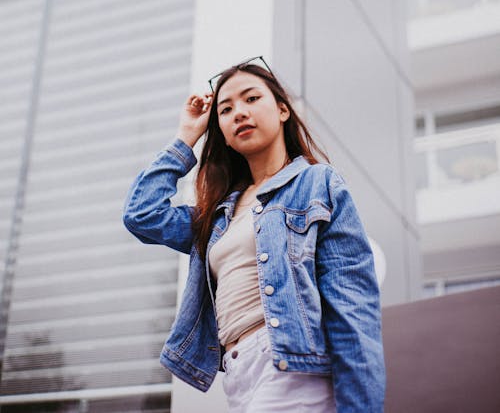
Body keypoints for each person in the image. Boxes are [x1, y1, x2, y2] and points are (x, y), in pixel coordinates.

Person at [123, 58, 386, 412]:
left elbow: (352, 307)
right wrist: (187, 136)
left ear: (282, 111)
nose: (239, 113)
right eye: (226, 109)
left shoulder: (318, 183)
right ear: (223, 136)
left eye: (251, 99)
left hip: (293, 368)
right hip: (238, 374)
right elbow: (142, 215)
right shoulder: (215, 215)